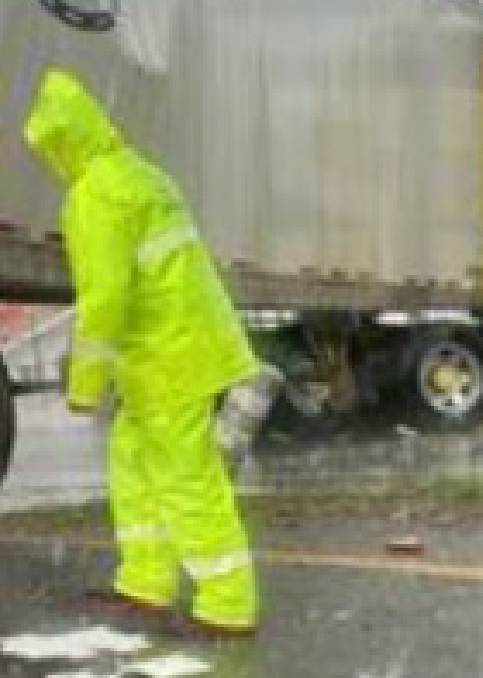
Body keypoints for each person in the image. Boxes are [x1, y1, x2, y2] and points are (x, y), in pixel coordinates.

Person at [24, 68, 261, 636]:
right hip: (178, 348)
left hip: (168, 357)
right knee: (133, 465)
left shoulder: (94, 195)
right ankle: (146, 585)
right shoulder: (140, 174)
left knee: (184, 477)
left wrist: (84, 385)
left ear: (62, 142)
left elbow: (105, 298)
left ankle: (228, 604)